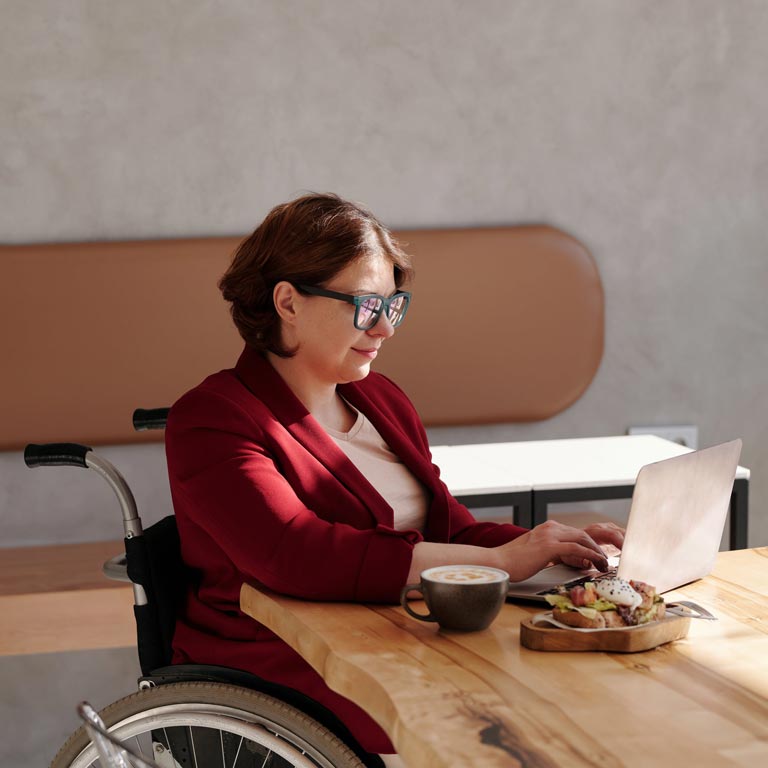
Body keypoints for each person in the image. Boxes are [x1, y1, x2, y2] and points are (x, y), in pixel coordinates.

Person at [164, 193, 624, 763]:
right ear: (287, 301)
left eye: (393, 305)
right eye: (363, 305)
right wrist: (503, 563)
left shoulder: (381, 399)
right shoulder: (213, 419)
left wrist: (552, 550)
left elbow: (449, 533)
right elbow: (293, 553)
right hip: (287, 670)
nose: (383, 328)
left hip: (400, 640)